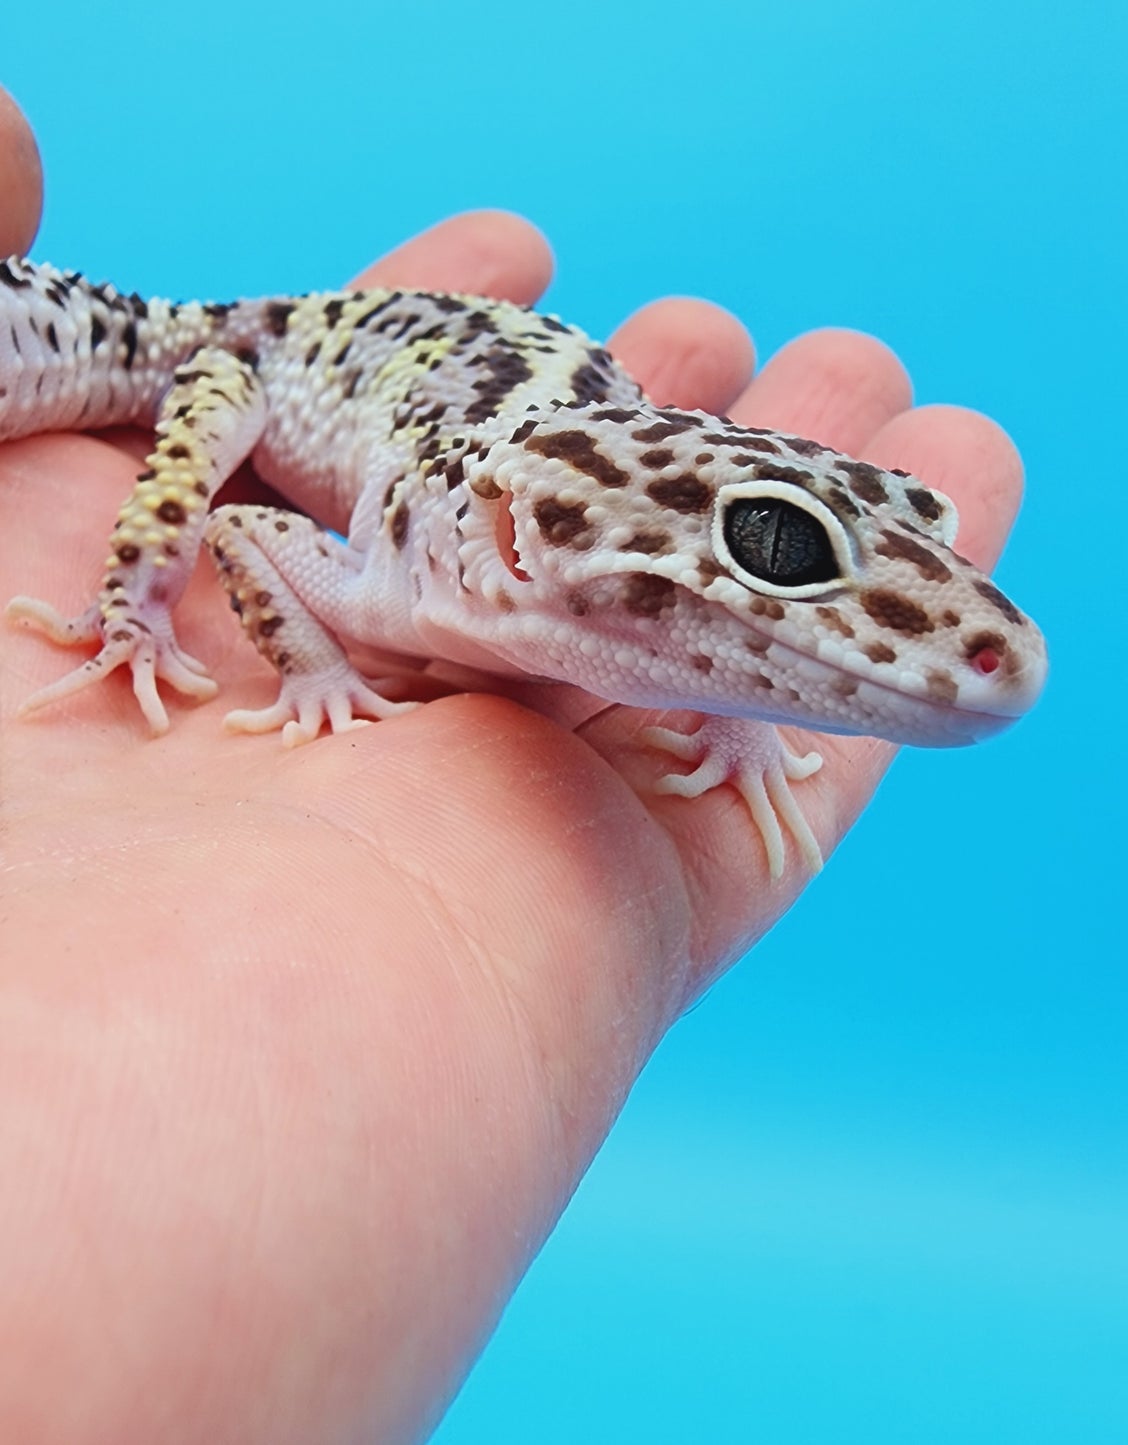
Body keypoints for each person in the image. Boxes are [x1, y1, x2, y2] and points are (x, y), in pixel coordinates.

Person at [0, 88, 1026, 1442]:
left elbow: (711, 634)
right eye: (777, 551)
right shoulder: (427, 573)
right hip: (227, 354)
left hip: (522, 414)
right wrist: (252, 642)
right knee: (192, 486)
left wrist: (739, 709)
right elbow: (256, 544)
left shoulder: (584, 573)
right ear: (529, 544)